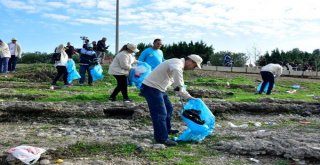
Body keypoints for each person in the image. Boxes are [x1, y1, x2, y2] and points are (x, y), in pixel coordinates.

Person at [140, 54, 203, 146]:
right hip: (151, 88)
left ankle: (166, 130)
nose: (193, 68)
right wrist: (181, 87)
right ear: (190, 61)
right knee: (160, 113)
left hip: (159, 89)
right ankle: (161, 139)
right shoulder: (177, 63)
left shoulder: (177, 65)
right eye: (194, 65)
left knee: (169, 109)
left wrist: (189, 97)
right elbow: (178, 79)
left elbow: (176, 86)